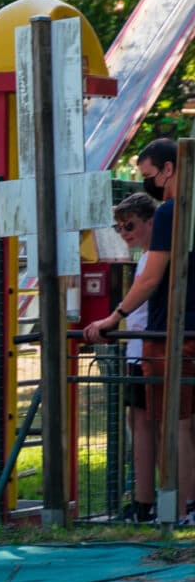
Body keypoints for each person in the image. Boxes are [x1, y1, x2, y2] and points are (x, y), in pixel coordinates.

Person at [81, 139, 195, 523]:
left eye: (150, 176)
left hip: (173, 334)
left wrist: (115, 316)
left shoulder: (169, 212)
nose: (150, 184)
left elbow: (149, 279)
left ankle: (175, 513)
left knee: (174, 425)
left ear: (168, 169)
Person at [106, 194, 158, 521]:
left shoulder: (152, 259)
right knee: (139, 423)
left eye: (130, 225)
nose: (124, 232)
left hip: (145, 352)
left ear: (150, 222)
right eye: (119, 227)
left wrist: (114, 317)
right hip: (140, 350)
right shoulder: (148, 258)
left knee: (142, 425)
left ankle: (144, 502)